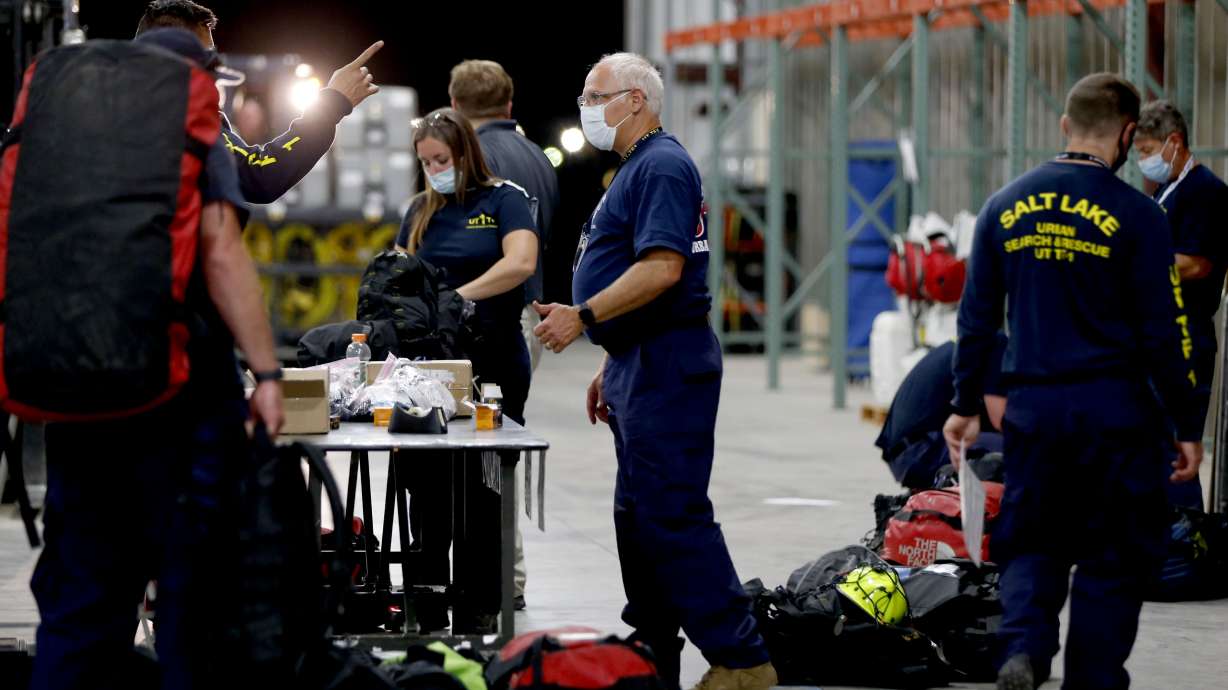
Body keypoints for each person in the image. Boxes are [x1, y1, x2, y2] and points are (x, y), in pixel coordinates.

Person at [31, 28, 284, 689]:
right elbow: (221, 246)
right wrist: (267, 373)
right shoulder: (188, 115)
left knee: (81, 596)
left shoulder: (63, 131)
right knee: (190, 595)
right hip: (180, 392)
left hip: (75, 382)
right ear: (202, 74)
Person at [943, 73, 1203, 690]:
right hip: (1118, 418)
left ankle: (1025, 650)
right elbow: (1164, 335)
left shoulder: (1004, 206)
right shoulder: (1140, 216)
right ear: (1129, 133)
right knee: (1115, 556)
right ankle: (1093, 677)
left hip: (1036, 416)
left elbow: (976, 321)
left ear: (1065, 126)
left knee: (1033, 540)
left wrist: (964, 404)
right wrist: (1186, 424)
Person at [531, 53, 776, 690]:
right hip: (641, 362)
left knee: (671, 513)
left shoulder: (662, 166)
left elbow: (663, 269)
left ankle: (743, 660)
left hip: (669, 363)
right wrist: (613, 359)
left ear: (634, 100)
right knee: (636, 518)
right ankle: (653, 647)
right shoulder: (637, 168)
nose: (586, 106)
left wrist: (584, 315)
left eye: (595, 93)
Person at [394, 108, 538, 633]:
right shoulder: (419, 210)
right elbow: (399, 272)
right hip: (429, 368)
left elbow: (520, 263)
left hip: (493, 360)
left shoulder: (505, 199)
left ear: (464, 155)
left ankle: (481, 607)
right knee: (426, 489)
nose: (434, 169)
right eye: (425, 161)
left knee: (483, 490)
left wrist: (457, 297)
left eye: (441, 159)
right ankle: (427, 603)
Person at [449, 59, 559, 611]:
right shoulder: (538, 157)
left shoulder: (471, 161)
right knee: (498, 449)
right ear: (509, 104)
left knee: (473, 454)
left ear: (453, 105)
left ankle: (493, 578)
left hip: (485, 324)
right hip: (529, 321)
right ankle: (502, 577)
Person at [136, 0, 383, 203]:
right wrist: (331, 104)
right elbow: (259, 175)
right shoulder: (182, 116)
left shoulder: (108, 108)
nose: (212, 67)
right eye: (206, 57)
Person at [1134, 99, 1227, 510]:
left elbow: (1197, 264)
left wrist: (1133, 261)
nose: (1142, 161)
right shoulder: (1164, 192)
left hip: (1187, 340)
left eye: (1147, 150)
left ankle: (1185, 543)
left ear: (1174, 142)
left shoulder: (1204, 193)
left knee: (1179, 452)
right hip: (1156, 340)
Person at [875, 334, 1007, 489]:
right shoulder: (995, 349)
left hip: (904, 453)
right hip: (918, 453)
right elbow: (999, 416)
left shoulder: (968, 346)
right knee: (1022, 448)